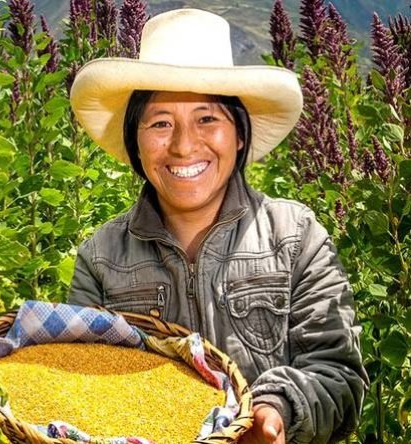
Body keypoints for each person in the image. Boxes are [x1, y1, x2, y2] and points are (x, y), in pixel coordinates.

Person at [67, 8, 368, 444]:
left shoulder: (296, 236)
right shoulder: (100, 257)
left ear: (239, 134)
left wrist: (277, 409)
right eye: (161, 123)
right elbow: (80, 382)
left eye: (207, 119)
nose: (184, 145)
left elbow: (339, 377)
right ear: (135, 139)